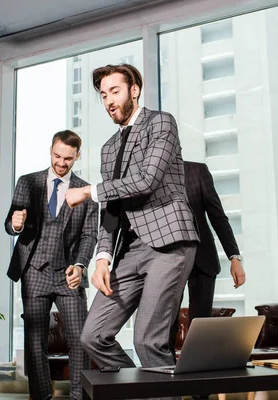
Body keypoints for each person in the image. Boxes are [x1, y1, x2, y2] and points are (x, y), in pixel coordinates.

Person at [65, 64, 199, 389]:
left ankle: (157, 394)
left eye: (115, 91)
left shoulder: (161, 123)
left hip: (169, 243)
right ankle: (141, 392)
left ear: (134, 90)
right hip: (132, 251)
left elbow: (147, 180)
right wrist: (102, 259)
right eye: (103, 95)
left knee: (147, 342)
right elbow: (112, 209)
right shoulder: (109, 148)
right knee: (93, 335)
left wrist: (88, 190)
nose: (109, 100)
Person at [5, 130, 97, 400]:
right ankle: (41, 396)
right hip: (33, 271)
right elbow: (11, 222)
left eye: (68, 158)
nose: (61, 162)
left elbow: (89, 235)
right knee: (34, 343)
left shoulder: (85, 190)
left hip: (69, 274)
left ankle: (81, 397)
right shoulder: (27, 182)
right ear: (50, 150)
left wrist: (80, 266)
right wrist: (15, 224)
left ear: (77, 156)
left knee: (80, 339)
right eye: (58, 156)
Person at [169, 161, 245, 352]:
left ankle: (196, 376)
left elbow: (217, 216)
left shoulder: (196, 171)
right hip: (167, 261)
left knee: (199, 327)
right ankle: (165, 376)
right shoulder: (149, 176)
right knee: (166, 326)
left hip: (202, 259)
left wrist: (234, 257)